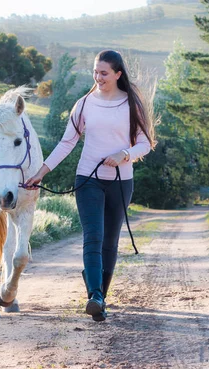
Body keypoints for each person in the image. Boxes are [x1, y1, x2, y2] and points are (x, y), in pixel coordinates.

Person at [25, 50, 156, 322]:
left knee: (110, 243)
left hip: (121, 182)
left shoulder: (131, 104)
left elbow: (145, 143)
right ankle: (94, 295)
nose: (98, 77)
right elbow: (67, 142)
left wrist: (125, 154)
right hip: (88, 179)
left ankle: (100, 298)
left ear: (118, 74)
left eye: (104, 73)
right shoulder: (84, 104)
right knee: (93, 237)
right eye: (95, 72)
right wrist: (42, 172)